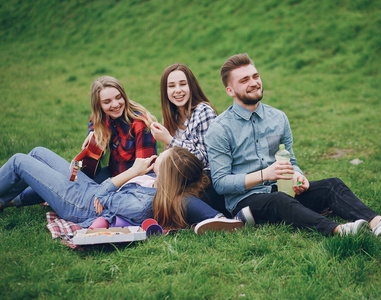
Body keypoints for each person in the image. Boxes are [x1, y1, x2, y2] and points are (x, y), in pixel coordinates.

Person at [205, 53, 381, 236]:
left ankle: (379, 222)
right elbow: (221, 183)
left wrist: (298, 176)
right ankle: (339, 230)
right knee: (279, 201)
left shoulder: (277, 118)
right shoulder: (220, 128)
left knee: (332, 184)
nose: (253, 83)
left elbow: (288, 160)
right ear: (230, 90)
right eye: (244, 80)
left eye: (255, 76)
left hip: (283, 191)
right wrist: (265, 175)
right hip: (246, 202)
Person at [0, 146, 251, 233]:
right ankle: (10, 201)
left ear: (167, 177)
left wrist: (133, 171)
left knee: (20, 161)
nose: (157, 156)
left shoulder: (144, 204)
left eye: (161, 158)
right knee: (37, 153)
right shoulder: (156, 181)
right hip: (88, 188)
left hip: (78, 205)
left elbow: (102, 196)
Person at [7, 76, 159, 209]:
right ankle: (11, 200)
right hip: (110, 172)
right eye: (107, 101)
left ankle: (11, 201)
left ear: (124, 96)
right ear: (99, 105)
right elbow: (94, 119)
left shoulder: (140, 125)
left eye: (118, 97)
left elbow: (144, 171)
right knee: (71, 178)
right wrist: (92, 132)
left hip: (128, 184)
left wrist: (111, 188)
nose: (115, 104)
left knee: (69, 186)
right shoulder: (105, 116)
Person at [150, 63, 231, 217]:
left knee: (177, 201)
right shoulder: (171, 117)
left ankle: (218, 218)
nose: (178, 90)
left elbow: (205, 158)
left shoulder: (203, 111)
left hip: (208, 180)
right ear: (165, 91)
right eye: (171, 86)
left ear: (191, 86)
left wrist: (169, 139)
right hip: (185, 180)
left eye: (183, 84)